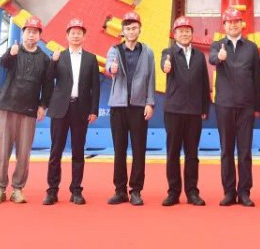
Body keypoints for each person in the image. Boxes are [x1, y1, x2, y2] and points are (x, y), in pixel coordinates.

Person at [0, 16, 53, 204]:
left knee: (24, 153)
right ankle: (0, 188)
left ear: (39, 35)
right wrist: (11, 54)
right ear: (23, 33)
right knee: (2, 151)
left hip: (29, 109)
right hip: (6, 107)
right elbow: (3, 64)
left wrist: (43, 105)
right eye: (28, 31)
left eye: (35, 32)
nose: (31, 35)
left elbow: (48, 85)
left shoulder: (44, 59)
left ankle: (18, 188)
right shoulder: (14, 51)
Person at [44, 17, 100, 206]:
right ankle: (52, 191)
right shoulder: (59, 56)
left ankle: (76, 190)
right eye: (72, 33)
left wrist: (94, 110)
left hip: (81, 108)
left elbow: (95, 87)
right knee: (56, 151)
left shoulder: (91, 59)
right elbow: (48, 78)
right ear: (67, 36)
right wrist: (53, 61)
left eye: (79, 33)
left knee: (78, 151)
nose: (76, 36)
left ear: (84, 36)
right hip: (60, 108)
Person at [208, 8, 260, 206]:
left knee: (245, 151)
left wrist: (257, 106)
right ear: (224, 25)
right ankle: (229, 192)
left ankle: (244, 192)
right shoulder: (217, 45)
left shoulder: (251, 47)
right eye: (229, 22)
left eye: (236, 21)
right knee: (226, 150)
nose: (233, 25)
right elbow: (211, 58)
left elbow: (256, 77)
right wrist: (219, 57)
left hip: (246, 107)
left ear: (241, 24)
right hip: (224, 106)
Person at [105, 11, 155, 206]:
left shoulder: (147, 52)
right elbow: (109, 66)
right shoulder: (114, 50)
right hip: (118, 106)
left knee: (139, 150)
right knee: (119, 150)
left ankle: (136, 190)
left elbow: (151, 78)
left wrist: (150, 102)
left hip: (139, 107)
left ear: (139, 30)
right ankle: (120, 190)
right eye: (128, 28)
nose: (131, 31)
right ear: (123, 31)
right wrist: (112, 69)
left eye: (134, 28)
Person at [160, 15, 210, 206]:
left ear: (191, 33)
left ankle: (192, 192)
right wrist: (165, 66)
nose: (184, 34)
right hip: (174, 111)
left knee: (192, 154)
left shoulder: (199, 56)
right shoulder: (169, 53)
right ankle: (173, 192)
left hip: (194, 112)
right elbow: (164, 64)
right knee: (173, 153)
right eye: (180, 31)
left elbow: (204, 83)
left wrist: (204, 107)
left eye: (187, 31)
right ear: (175, 34)